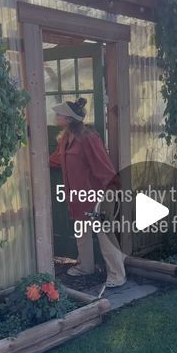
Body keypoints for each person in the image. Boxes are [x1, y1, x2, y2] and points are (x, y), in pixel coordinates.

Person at [49, 97, 126, 287]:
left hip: (97, 196)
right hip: (78, 198)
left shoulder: (89, 138)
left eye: (59, 114)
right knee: (82, 233)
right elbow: (56, 160)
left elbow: (103, 166)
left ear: (68, 119)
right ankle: (85, 266)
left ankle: (117, 275)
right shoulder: (66, 138)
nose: (56, 116)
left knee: (104, 235)